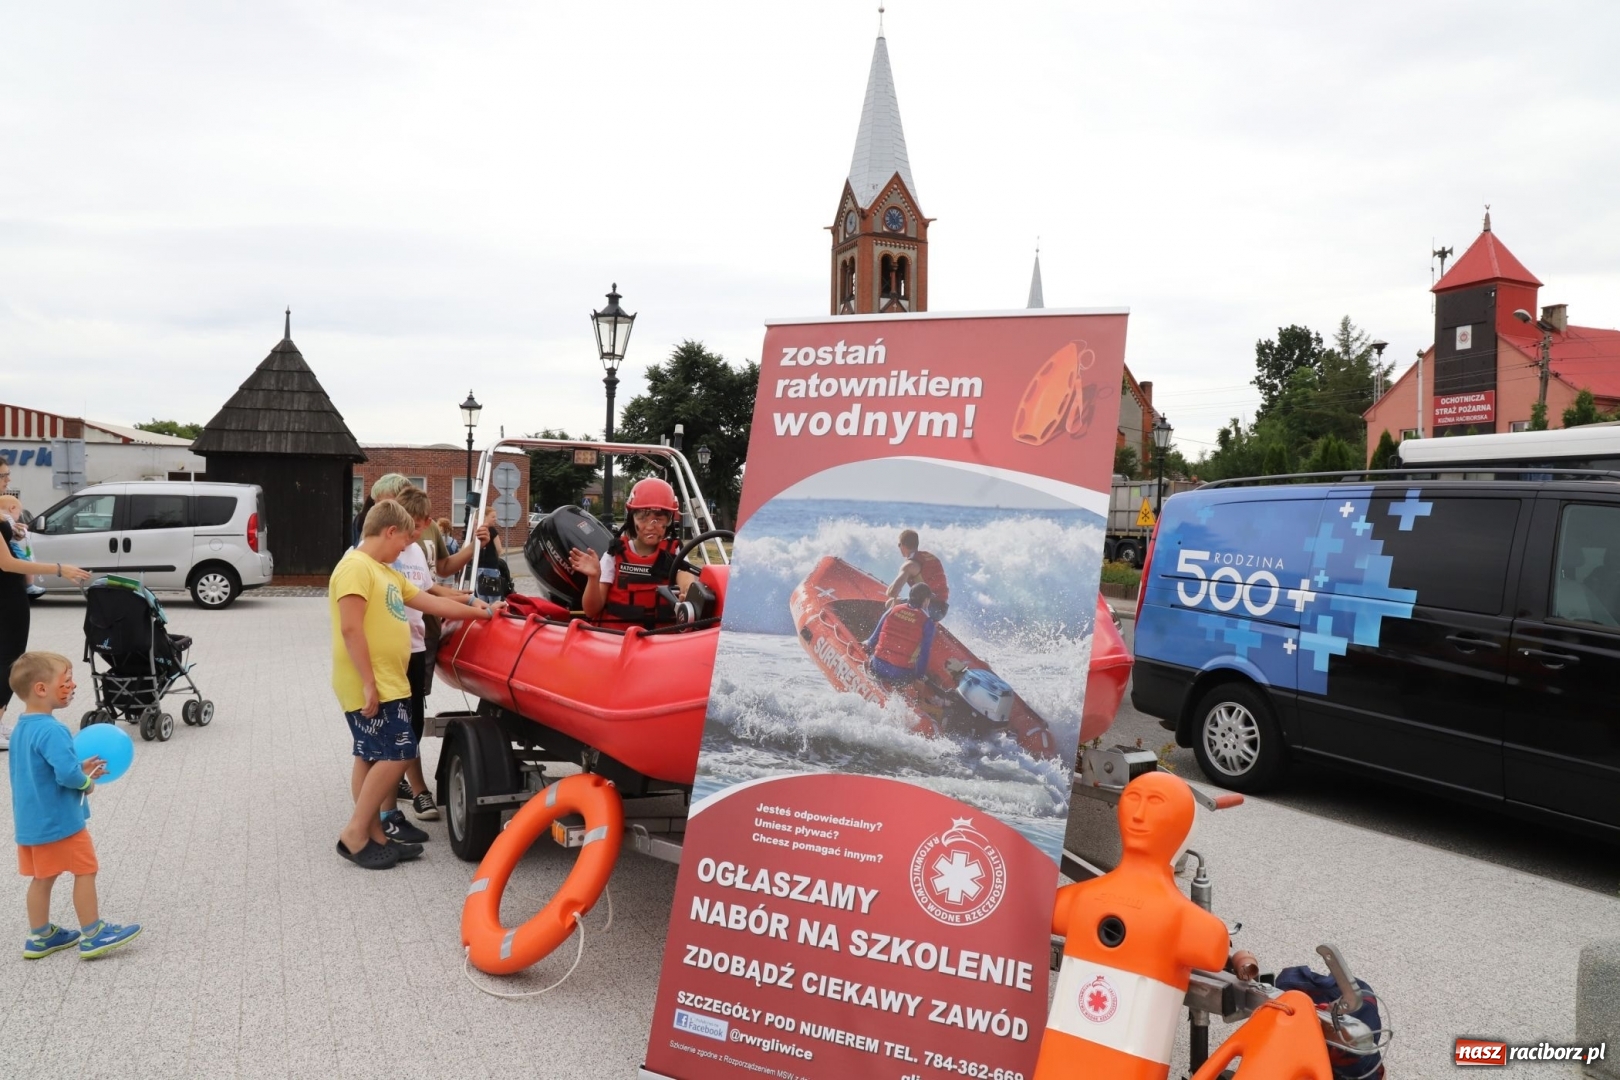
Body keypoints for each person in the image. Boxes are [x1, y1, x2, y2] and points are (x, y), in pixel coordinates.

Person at [331, 499, 504, 869]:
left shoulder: (385, 572)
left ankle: (376, 832)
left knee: (371, 754)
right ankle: (356, 833)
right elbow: (350, 628)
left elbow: (433, 603)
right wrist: (367, 684)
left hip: (389, 681)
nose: (406, 549)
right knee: (399, 752)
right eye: (405, 541)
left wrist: (482, 612)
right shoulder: (355, 568)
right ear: (390, 531)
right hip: (372, 682)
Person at [9, 651, 141, 959]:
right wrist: (86, 781)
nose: (72, 686)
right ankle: (94, 933)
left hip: (32, 822)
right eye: (66, 681)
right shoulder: (53, 729)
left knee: (43, 877)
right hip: (61, 822)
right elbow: (66, 775)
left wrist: (77, 765)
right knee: (86, 869)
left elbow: (42, 769)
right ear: (42, 689)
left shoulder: (21, 729)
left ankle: (40, 937)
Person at [387, 485, 474, 823]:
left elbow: (428, 589)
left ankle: (399, 787)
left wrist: (465, 599)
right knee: (399, 723)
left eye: (425, 524)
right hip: (394, 647)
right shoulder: (386, 551)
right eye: (419, 523)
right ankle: (416, 791)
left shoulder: (416, 552)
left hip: (418, 642)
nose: (424, 530)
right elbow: (418, 597)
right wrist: (466, 606)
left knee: (414, 719)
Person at [0, 462, 91, 750]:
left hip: (9, 592)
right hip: (5, 595)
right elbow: (6, 563)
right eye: (3, 476)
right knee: (8, 658)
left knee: (6, 657)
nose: (7, 480)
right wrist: (59, 569)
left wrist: (12, 531)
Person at [568, 478, 696, 627]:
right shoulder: (613, 555)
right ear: (632, 519)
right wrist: (593, 577)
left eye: (659, 518)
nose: (650, 526)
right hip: (617, 640)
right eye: (642, 517)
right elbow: (591, 611)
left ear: (668, 521)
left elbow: (686, 580)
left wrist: (687, 593)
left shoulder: (676, 552)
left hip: (660, 642)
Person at [864, 582, 939, 685]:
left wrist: (868, 644)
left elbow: (873, 638)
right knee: (918, 674)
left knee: (874, 655)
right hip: (900, 674)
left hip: (877, 666)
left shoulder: (893, 609)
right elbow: (924, 653)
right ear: (925, 601)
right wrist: (919, 677)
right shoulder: (928, 623)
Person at [886, 529, 950, 621]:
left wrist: (890, 591)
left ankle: (896, 632)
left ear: (903, 545)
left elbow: (893, 592)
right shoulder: (929, 556)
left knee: (890, 603)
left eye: (899, 545)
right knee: (906, 600)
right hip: (942, 609)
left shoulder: (909, 565)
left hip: (930, 609)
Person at [0, 496, 43, 599]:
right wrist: (22, 530)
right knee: (26, 562)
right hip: (12, 546)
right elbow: (14, 532)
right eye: (19, 514)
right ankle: (30, 585)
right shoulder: (7, 518)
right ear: (12, 508)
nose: (18, 517)